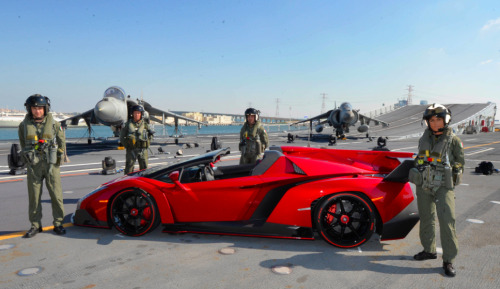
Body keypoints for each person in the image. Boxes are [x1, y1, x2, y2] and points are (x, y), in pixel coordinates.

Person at [408, 103, 464, 277]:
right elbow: (420, 157)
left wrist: (453, 173)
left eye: (438, 119)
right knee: (426, 218)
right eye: (431, 120)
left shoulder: (453, 140)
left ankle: (448, 260)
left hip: (442, 187)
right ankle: (429, 250)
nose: (434, 123)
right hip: (423, 185)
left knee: (447, 222)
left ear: (445, 120)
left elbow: (460, 163)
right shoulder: (423, 138)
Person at [19, 94, 66, 238]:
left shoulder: (54, 124)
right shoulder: (23, 126)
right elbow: (22, 143)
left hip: (51, 165)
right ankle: (35, 225)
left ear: (45, 109)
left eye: (40, 108)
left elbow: (61, 142)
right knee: (34, 197)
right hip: (34, 166)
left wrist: (57, 156)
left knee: (56, 195)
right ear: (30, 109)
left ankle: (58, 223)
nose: (37, 111)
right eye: (34, 108)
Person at [120, 105, 153, 174]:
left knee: (144, 169)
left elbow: (151, 136)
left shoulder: (145, 125)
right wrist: (128, 145)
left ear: (141, 114)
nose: (137, 115)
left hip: (143, 150)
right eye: (135, 113)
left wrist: (147, 144)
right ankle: (128, 183)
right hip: (131, 149)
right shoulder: (127, 125)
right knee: (129, 168)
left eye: (138, 113)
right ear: (133, 114)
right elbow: (122, 137)